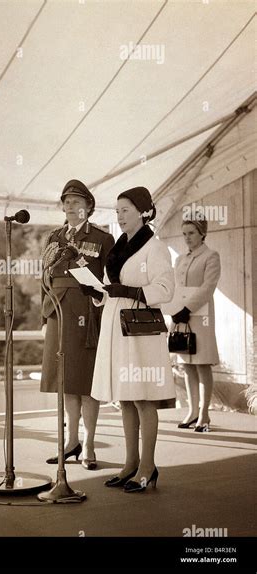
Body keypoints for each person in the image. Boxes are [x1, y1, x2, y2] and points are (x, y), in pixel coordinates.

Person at [90, 187, 175, 492]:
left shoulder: (155, 247)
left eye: (125, 210)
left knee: (142, 397)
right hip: (117, 326)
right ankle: (130, 463)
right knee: (126, 396)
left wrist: (128, 291)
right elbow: (111, 286)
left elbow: (165, 289)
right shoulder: (119, 246)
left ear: (142, 211)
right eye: (117, 211)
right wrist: (97, 293)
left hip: (140, 331)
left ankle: (148, 466)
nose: (119, 216)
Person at [40, 179, 115, 470]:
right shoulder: (54, 238)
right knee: (66, 382)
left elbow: (111, 280)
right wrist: (44, 318)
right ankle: (71, 441)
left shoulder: (103, 238)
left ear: (89, 207)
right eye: (66, 202)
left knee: (86, 384)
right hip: (57, 312)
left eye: (76, 202)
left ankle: (90, 443)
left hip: (87, 314)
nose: (70, 206)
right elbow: (43, 280)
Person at [172, 215, 221, 432]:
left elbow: (208, 287)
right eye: (184, 234)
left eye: (191, 233)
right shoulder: (180, 259)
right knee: (186, 364)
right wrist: (174, 310)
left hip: (200, 317)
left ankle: (204, 414)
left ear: (202, 233)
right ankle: (192, 411)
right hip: (181, 317)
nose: (187, 238)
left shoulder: (211, 256)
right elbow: (176, 287)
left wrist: (187, 308)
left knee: (201, 363)